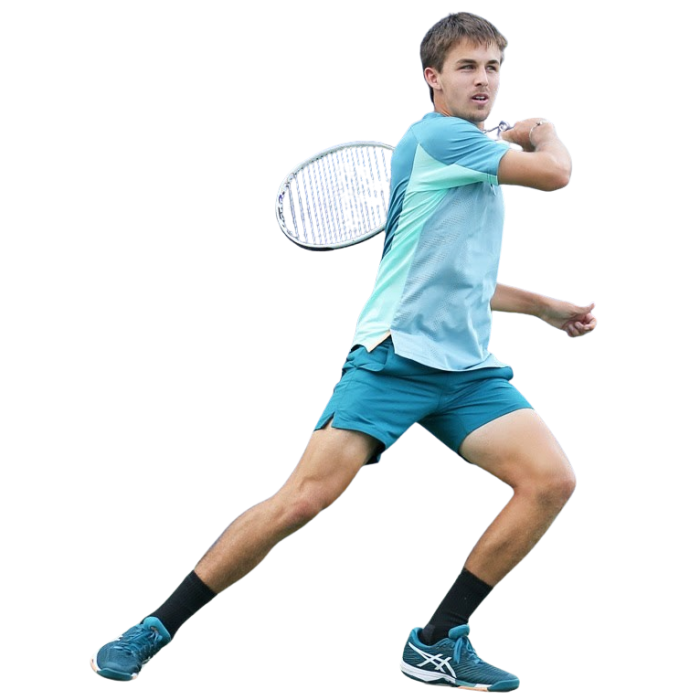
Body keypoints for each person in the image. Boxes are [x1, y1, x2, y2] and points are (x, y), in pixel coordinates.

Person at [89, 11, 596, 690]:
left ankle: (436, 643)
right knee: (301, 501)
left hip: (466, 370)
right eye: (467, 67)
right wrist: (543, 129)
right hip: (392, 361)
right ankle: (153, 627)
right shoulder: (440, 136)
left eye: (493, 68)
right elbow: (556, 174)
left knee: (551, 481)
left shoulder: (470, 156)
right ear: (433, 77)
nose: (483, 81)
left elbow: (462, 278)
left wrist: (545, 308)